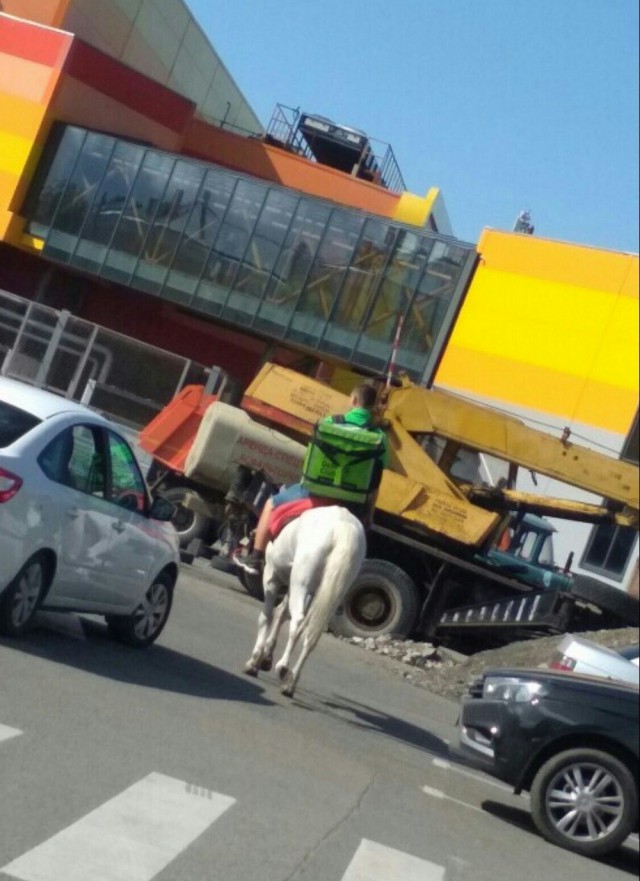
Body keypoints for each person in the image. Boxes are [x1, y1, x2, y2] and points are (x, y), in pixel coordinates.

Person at [234, 382, 388, 576]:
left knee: (271, 504)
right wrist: (369, 514)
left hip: (315, 492)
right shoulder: (380, 438)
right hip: (354, 501)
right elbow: (376, 479)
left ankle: (256, 557)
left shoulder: (330, 423)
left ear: (354, 400)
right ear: (372, 406)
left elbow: (312, 459)